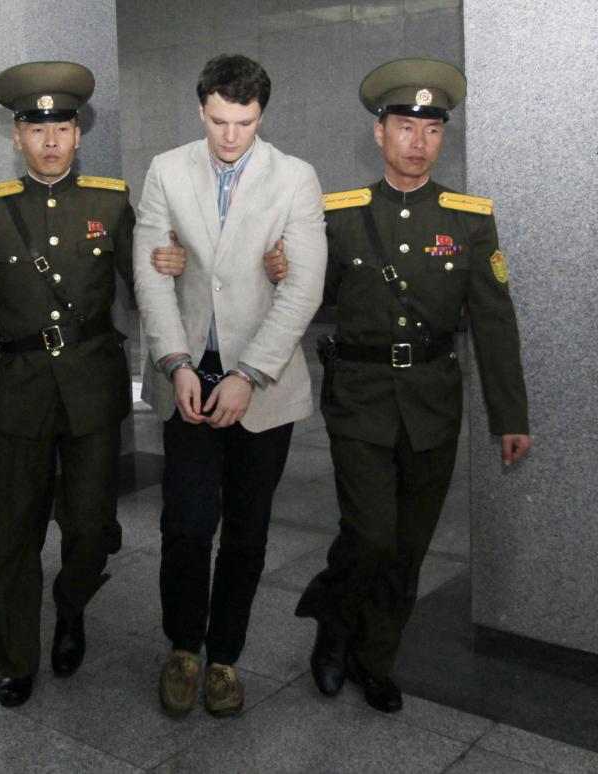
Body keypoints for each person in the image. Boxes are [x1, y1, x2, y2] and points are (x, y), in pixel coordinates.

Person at [278, 58, 530, 713]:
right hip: (359, 398)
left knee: (408, 549)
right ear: (379, 133)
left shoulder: (471, 221)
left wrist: (511, 416)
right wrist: (281, 270)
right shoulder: (340, 215)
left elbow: (496, 325)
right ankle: (333, 621)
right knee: (372, 535)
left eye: (431, 129)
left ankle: (376, 658)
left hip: (433, 404)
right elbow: (310, 297)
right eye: (405, 126)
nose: (418, 141)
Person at [0, 61, 185, 708]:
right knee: (15, 530)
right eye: (36, 128)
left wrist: (173, 268)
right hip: (19, 390)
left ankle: (71, 606)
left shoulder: (110, 201)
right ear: (16, 136)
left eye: (63, 127)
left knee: (94, 527)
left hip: (95, 389)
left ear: (78, 135)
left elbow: (147, 284)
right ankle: (16, 653)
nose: (50, 140)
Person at [134, 54, 327, 718]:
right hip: (188, 374)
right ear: (201, 109)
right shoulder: (166, 170)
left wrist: (250, 374)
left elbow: (303, 286)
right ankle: (184, 648)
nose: (229, 136)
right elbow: (151, 274)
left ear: (261, 115)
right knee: (186, 526)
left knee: (246, 534)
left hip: (262, 386)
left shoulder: (296, 178)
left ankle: (224, 659)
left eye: (243, 123)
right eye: (218, 120)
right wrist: (176, 361)